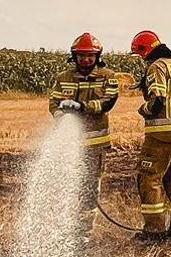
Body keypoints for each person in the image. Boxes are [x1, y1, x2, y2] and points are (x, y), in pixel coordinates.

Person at [47, 33, 123, 214]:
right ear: (74, 57)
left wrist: (82, 107)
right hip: (69, 142)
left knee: (89, 187)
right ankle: (65, 219)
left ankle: (84, 231)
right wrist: (62, 117)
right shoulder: (63, 77)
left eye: (90, 56)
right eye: (82, 56)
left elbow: (108, 102)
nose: (86, 59)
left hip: (94, 144)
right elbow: (53, 103)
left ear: (98, 57)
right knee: (68, 183)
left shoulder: (108, 77)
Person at [129, 30, 171, 239]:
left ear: (145, 50)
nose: (140, 58)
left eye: (139, 54)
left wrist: (143, 109)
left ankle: (154, 230)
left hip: (161, 133)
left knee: (149, 177)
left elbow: (159, 100)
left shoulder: (157, 67)